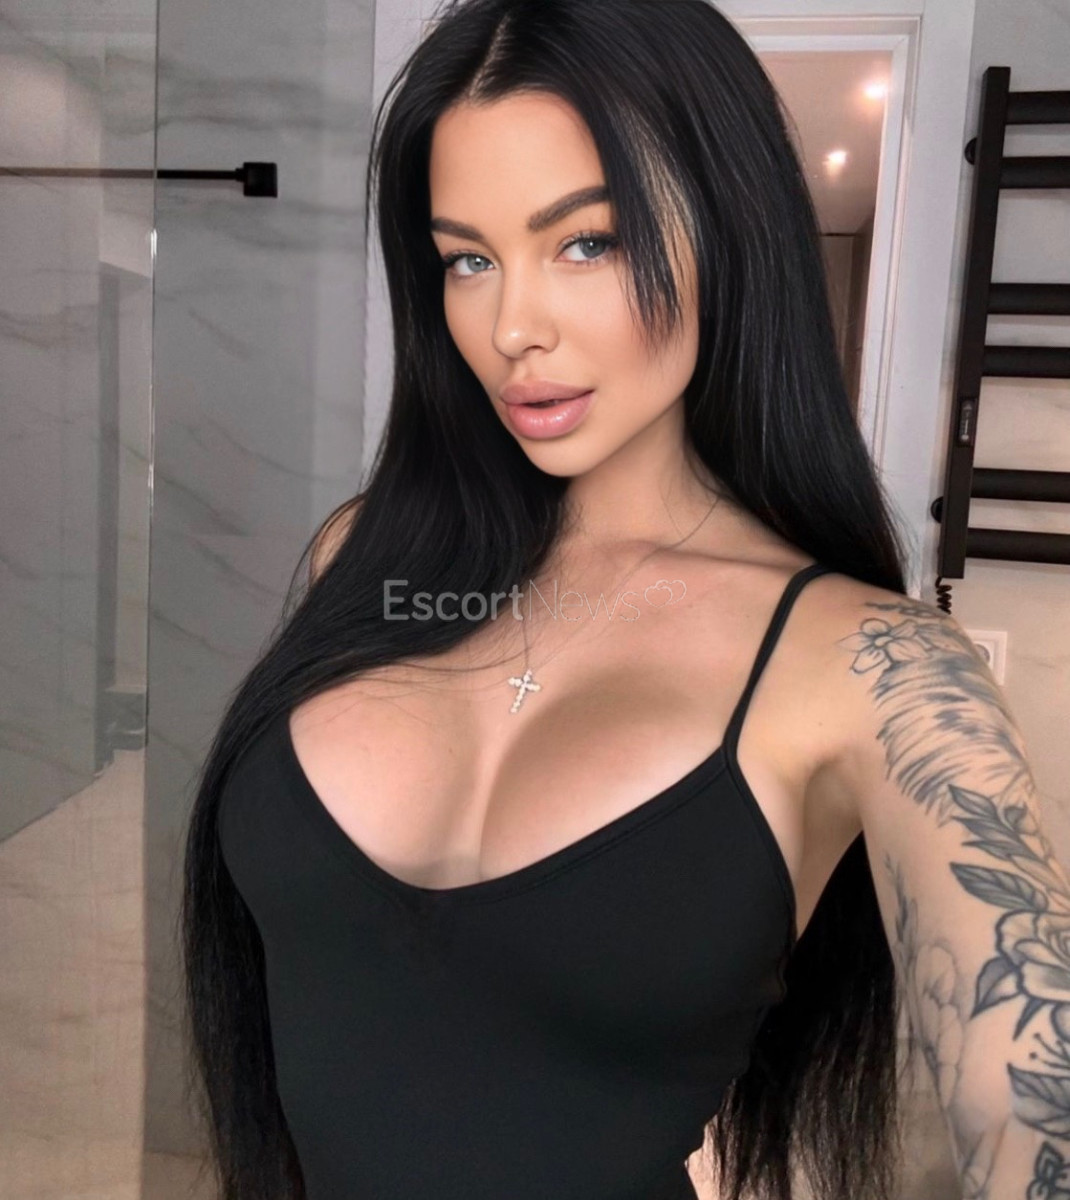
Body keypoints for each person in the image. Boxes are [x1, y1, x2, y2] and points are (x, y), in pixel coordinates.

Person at [180, 1, 1064, 1198]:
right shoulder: (365, 555)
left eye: (585, 242)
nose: (512, 327)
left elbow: (1032, 1119)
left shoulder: (878, 672)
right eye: (467, 260)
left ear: (726, 228)